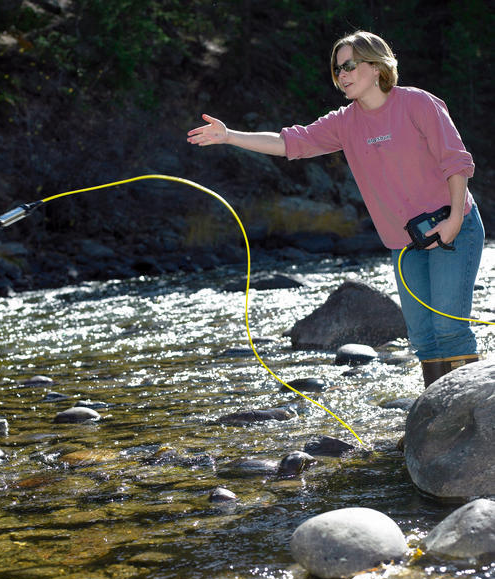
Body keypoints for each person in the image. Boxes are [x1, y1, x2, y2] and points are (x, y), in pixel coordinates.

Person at [187, 30, 485, 388]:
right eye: (336, 70)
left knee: (450, 330)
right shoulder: (345, 122)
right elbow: (288, 142)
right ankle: (438, 422)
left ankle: (469, 420)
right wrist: (231, 135)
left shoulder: (418, 103)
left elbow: (456, 162)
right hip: (406, 244)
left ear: (376, 66)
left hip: (453, 227)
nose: (342, 76)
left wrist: (454, 218)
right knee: (423, 339)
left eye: (349, 66)